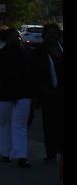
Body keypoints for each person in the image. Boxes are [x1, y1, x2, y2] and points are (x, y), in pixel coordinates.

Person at [0, 27, 33, 167]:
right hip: (3, 94)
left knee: (20, 124)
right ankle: (5, 153)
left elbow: (33, 72)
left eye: (18, 36)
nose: (18, 38)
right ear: (7, 38)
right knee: (6, 124)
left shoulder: (26, 53)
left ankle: (21, 156)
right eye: (14, 36)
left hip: (23, 93)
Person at [32, 23, 63, 162]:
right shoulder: (39, 51)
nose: (52, 36)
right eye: (49, 34)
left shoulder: (62, 49)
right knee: (49, 124)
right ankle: (50, 152)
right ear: (44, 36)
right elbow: (34, 73)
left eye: (54, 34)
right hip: (47, 93)